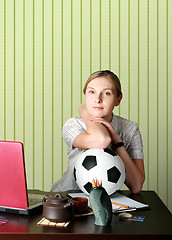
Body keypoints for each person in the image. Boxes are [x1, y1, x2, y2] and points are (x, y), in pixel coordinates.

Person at [51, 70, 145, 194]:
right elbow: (102, 140)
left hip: (108, 202)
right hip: (68, 197)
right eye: (91, 92)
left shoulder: (130, 129)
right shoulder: (73, 125)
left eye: (106, 93)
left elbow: (136, 186)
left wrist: (117, 142)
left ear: (118, 99)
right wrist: (84, 111)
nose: (98, 99)